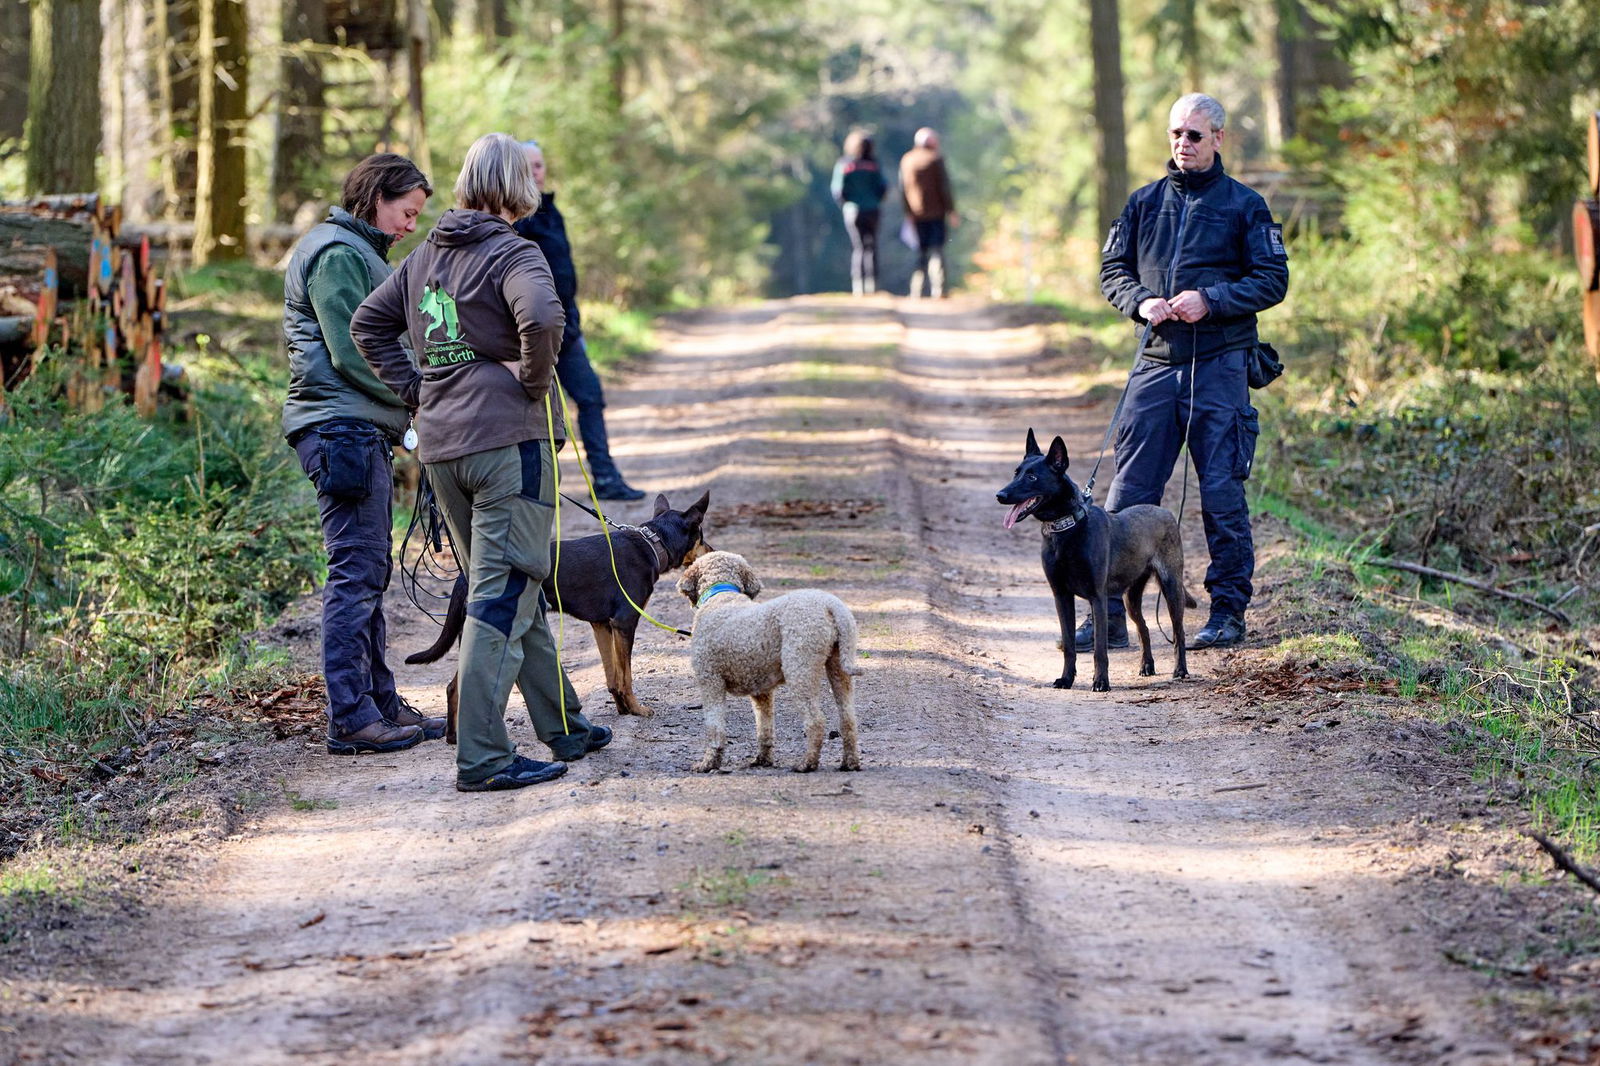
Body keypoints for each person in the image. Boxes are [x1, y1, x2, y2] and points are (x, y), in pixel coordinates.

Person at [352, 132, 612, 792]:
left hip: (444, 451)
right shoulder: (513, 252)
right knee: (503, 594)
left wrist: (419, 390)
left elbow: (367, 325)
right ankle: (483, 757)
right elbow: (543, 318)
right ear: (517, 186)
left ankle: (565, 726)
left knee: (511, 586)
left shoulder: (424, 255)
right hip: (507, 449)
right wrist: (532, 382)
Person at [1093, 92, 1289, 651]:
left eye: (1195, 134)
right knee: (1129, 494)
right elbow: (1112, 269)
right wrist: (1140, 301)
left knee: (1222, 494)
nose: (1184, 142)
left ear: (1218, 139)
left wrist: (1212, 299)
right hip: (1154, 364)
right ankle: (1108, 619)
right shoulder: (1142, 203)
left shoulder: (1246, 206)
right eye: (1176, 133)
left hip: (1221, 365)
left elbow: (1272, 280)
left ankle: (1227, 614)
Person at [281, 152, 447, 756]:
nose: (410, 225)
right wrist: (419, 396)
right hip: (338, 430)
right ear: (377, 197)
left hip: (354, 428)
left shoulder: (357, 251)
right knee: (355, 573)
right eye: (407, 212)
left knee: (370, 569)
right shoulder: (338, 254)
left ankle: (379, 702)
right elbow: (356, 350)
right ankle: (350, 717)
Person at [512, 140, 645, 501]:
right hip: (531, 334)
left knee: (590, 396)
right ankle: (531, 492)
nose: (536, 172)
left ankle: (606, 478)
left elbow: (563, 276)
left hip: (567, 331)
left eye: (539, 165)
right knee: (534, 413)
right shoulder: (514, 220)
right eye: (528, 166)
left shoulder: (551, 212)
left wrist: (574, 323)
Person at [898, 127, 957, 299]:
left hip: (916, 214)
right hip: (937, 214)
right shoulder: (936, 159)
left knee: (920, 251)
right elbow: (944, 187)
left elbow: (903, 189)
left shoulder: (907, 160)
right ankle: (939, 289)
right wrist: (951, 210)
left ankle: (916, 290)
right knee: (937, 249)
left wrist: (907, 212)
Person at [830, 131, 887, 296]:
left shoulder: (844, 164)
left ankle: (858, 285)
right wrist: (875, 200)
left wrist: (847, 204)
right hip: (873, 209)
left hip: (853, 211)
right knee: (872, 246)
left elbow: (838, 191)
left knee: (858, 247)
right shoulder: (874, 165)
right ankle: (872, 284)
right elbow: (883, 187)